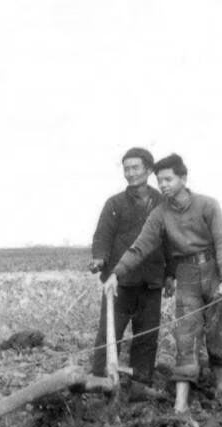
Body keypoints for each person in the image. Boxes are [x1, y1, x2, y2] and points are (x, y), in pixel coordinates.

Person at [103, 153, 222, 413]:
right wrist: (116, 273)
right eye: (159, 180)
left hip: (215, 271)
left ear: (183, 178)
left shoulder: (208, 205)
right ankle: (180, 404)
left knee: (219, 334)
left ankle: (221, 392)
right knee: (185, 335)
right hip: (186, 274)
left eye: (168, 179)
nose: (162, 185)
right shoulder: (160, 214)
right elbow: (140, 247)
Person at [89, 147, 169, 387]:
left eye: (135, 168)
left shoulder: (162, 203)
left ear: (148, 170)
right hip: (119, 283)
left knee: (147, 335)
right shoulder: (114, 204)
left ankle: (140, 383)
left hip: (151, 281)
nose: (130, 173)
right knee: (109, 334)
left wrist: (171, 275)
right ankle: (100, 381)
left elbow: (171, 241)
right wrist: (100, 259)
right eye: (126, 169)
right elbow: (102, 236)